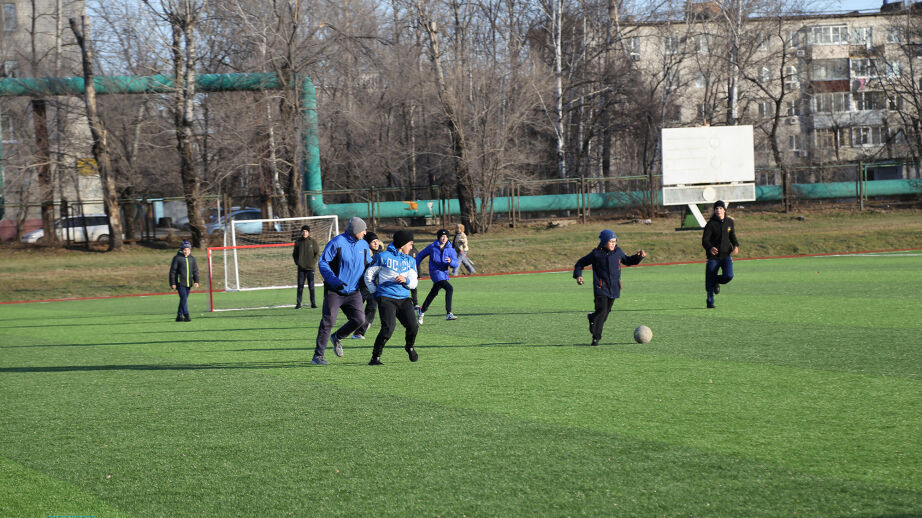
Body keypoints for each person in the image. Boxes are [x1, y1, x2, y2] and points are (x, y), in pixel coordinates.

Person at [312, 216, 370, 365]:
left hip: (353, 291)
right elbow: (323, 263)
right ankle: (318, 356)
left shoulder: (364, 245)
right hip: (334, 291)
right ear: (355, 230)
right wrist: (334, 281)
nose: (365, 232)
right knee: (328, 321)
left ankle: (337, 337)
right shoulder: (337, 243)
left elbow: (370, 265)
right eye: (363, 229)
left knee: (359, 320)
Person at [573, 230, 646, 346]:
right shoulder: (596, 254)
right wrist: (578, 275)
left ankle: (592, 318)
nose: (613, 244)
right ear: (603, 242)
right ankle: (596, 338)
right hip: (600, 288)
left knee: (605, 313)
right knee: (602, 311)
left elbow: (628, 261)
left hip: (614, 288)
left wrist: (638, 257)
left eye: (614, 241)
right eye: (610, 242)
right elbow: (580, 263)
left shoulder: (618, 252)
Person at [363, 230, 420, 365]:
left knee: (413, 326)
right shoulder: (383, 257)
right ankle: (375, 357)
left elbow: (414, 282)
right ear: (402, 244)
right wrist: (375, 293)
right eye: (410, 244)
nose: (412, 247)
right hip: (386, 298)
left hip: (404, 298)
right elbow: (368, 275)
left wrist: (405, 280)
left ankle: (409, 347)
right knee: (388, 328)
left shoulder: (411, 260)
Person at [701, 200, 739, 309]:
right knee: (709, 279)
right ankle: (710, 301)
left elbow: (732, 236)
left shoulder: (729, 222)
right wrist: (710, 248)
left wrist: (736, 245)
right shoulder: (710, 224)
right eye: (716, 209)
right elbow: (705, 240)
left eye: (720, 208)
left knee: (729, 275)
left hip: (726, 255)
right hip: (713, 257)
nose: (718, 210)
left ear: (724, 210)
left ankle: (717, 280)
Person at [416, 229, 459, 324]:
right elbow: (420, 256)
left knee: (433, 293)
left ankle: (422, 311)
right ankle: (449, 313)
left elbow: (456, 264)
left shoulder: (451, 249)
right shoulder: (432, 247)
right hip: (435, 272)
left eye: (446, 237)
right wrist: (415, 267)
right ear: (438, 237)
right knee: (449, 288)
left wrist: (451, 262)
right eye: (442, 236)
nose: (444, 238)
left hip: (444, 273)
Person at [352, 232, 382, 339]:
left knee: (372, 307)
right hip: (361, 284)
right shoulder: (363, 253)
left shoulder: (380, 253)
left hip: (373, 285)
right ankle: (358, 327)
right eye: (373, 241)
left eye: (377, 241)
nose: (376, 243)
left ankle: (359, 331)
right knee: (358, 309)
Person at [169, 240, 199, 322]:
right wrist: (173, 283)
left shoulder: (192, 259)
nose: (186, 251)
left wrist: (196, 281)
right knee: (184, 298)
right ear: (182, 249)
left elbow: (195, 270)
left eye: (188, 250)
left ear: (190, 250)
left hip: (189, 283)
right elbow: (173, 272)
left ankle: (179, 316)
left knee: (184, 299)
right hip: (180, 283)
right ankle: (186, 315)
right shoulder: (177, 258)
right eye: (185, 249)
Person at [292, 225, 320, 309]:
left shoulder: (313, 242)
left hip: (310, 268)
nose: (305, 233)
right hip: (301, 268)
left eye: (306, 231)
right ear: (301, 232)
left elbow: (317, 253)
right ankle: (298, 303)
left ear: (309, 232)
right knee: (300, 286)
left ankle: (313, 303)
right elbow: (294, 254)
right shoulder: (298, 242)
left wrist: (313, 262)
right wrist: (298, 262)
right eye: (303, 231)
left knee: (311, 286)